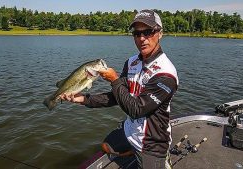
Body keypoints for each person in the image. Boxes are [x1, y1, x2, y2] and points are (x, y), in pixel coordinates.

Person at [61, 9, 178, 169]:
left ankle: (162, 161)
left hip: (152, 143)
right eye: (137, 33)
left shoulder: (166, 73)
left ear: (160, 33)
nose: (142, 38)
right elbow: (117, 96)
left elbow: (136, 110)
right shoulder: (131, 63)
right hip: (130, 130)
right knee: (106, 146)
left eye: (148, 32)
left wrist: (114, 80)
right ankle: (131, 151)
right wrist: (81, 99)